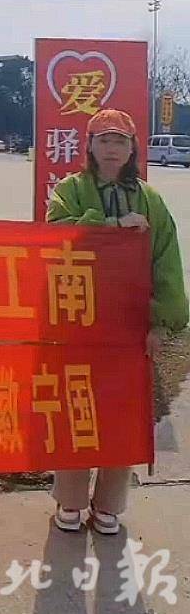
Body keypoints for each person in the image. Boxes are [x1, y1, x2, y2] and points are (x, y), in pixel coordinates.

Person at [46, 108, 188, 535]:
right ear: (90, 146)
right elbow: (56, 235)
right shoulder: (70, 191)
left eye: (120, 141)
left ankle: (109, 504)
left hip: (129, 323)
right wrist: (110, 224)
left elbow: (167, 264)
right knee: (76, 405)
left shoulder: (151, 200)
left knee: (122, 411)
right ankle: (70, 500)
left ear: (132, 149)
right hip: (78, 316)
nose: (112, 148)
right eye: (104, 140)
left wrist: (161, 322)